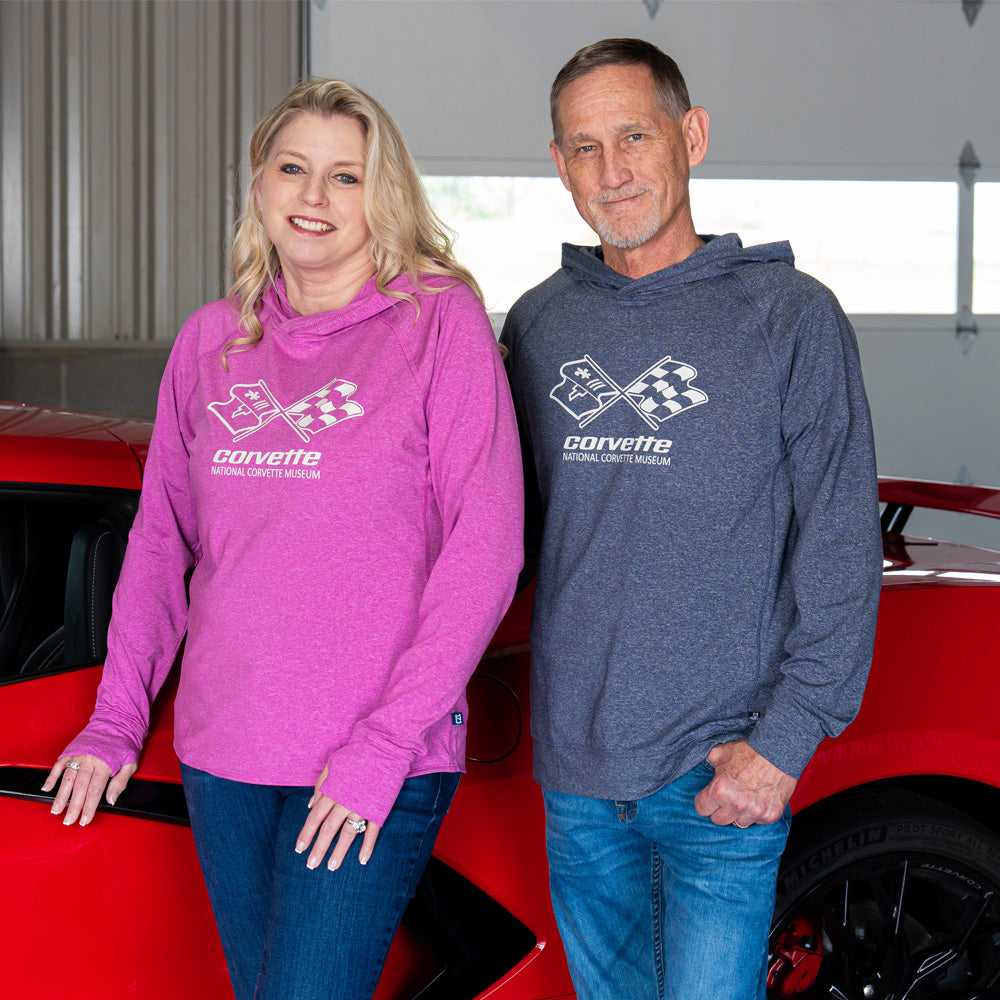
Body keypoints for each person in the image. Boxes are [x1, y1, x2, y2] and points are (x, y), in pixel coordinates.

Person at [43, 79, 523, 1000]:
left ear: (383, 197)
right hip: (225, 749)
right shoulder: (211, 344)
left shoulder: (437, 324)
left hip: (370, 753)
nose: (314, 196)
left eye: (346, 176)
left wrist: (383, 746)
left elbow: (486, 548)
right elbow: (159, 544)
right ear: (258, 186)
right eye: (293, 168)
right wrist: (114, 721)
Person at [501, 38, 881, 1000]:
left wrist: (783, 745)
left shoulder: (789, 317)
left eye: (634, 135)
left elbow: (839, 547)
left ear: (692, 136)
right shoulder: (539, 325)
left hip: (721, 774)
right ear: (559, 166)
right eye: (583, 147)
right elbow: (501, 535)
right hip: (580, 780)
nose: (612, 169)